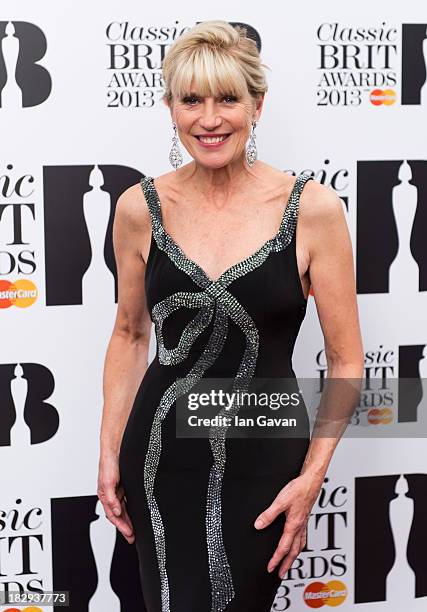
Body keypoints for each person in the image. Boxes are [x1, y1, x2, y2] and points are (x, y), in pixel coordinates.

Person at [97, 19, 364, 612]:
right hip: (160, 455)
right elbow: (130, 332)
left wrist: (312, 475)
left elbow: (347, 360)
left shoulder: (312, 210)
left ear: (257, 105)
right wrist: (109, 449)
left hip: (264, 455)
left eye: (228, 99)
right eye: (191, 100)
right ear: (170, 107)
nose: (209, 119)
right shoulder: (139, 208)